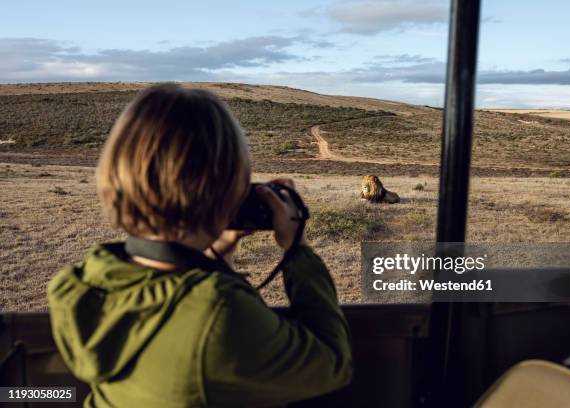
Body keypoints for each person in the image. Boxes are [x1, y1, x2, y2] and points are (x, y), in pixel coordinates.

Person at [47, 83, 353, 407]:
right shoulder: (216, 308)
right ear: (228, 190)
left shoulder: (79, 285)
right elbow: (331, 364)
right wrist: (297, 249)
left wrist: (214, 255)